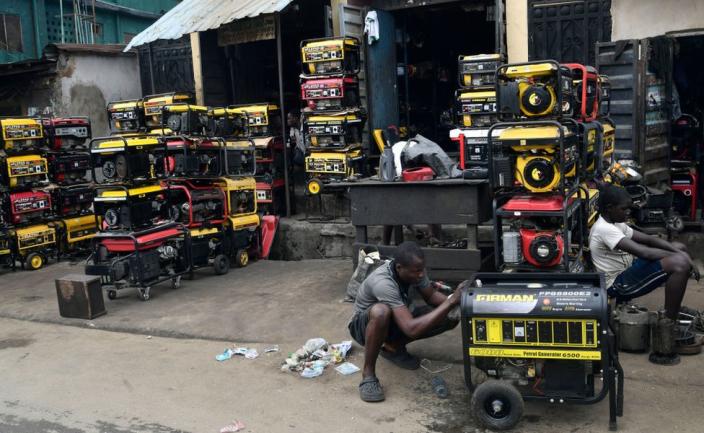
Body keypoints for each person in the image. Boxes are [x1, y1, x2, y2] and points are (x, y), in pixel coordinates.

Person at [589, 185, 700, 363]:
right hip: (617, 285)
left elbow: (648, 239)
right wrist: (681, 257)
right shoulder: (604, 229)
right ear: (609, 208)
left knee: (680, 248)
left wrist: (680, 252)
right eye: (623, 209)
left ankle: (672, 310)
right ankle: (668, 328)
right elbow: (645, 252)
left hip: (628, 270)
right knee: (679, 263)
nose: (627, 213)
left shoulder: (615, 223)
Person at [348, 241, 462, 402]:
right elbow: (410, 329)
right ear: (400, 267)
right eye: (417, 271)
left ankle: (391, 348)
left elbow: (430, 296)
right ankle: (368, 374)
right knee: (381, 311)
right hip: (364, 328)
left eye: (422, 269)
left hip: (396, 319)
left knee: (449, 316)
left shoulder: (415, 270)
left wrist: (459, 302)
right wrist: (451, 302)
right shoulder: (383, 282)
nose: (421, 274)